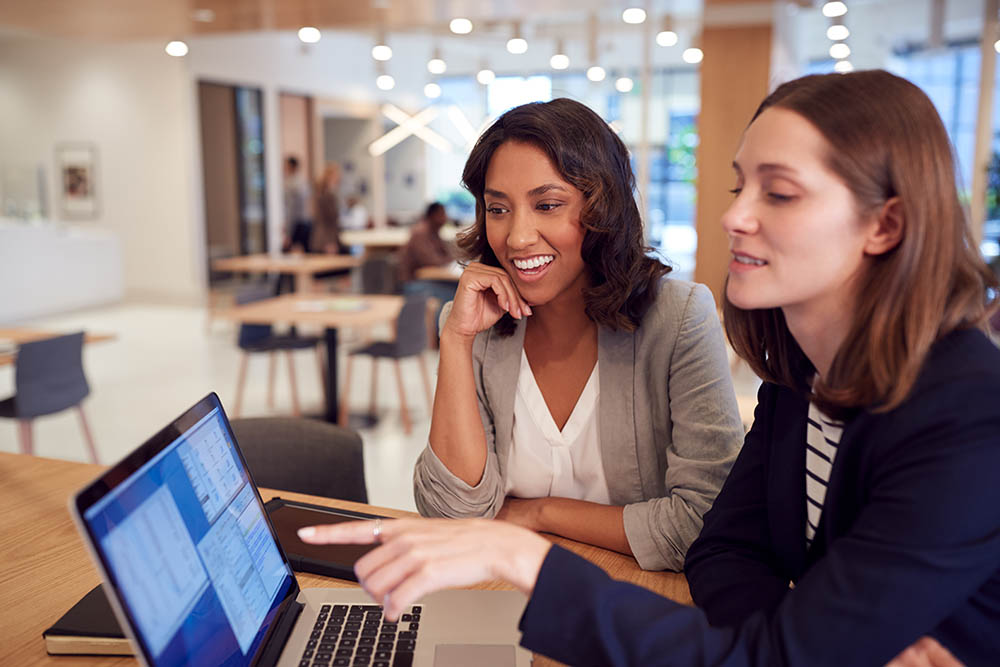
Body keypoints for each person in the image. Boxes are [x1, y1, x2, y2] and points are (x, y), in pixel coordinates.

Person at [299, 71, 1000, 666]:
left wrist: (526, 553)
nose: (733, 218)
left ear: (886, 225)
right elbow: (722, 553)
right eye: (739, 188)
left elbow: (713, 554)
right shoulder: (800, 377)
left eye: (777, 193)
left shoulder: (969, 416)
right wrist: (794, 640)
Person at [411, 98, 744, 571]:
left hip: (631, 605)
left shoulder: (678, 318)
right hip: (498, 593)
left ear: (601, 206)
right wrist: (456, 339)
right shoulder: (476, 324)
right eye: (498, 208)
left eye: (547, 205)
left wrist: (538, 513)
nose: (518, 237)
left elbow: (706, 523)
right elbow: (452, 514)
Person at [396, 202, 455, 283]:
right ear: (432, 215)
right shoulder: (420, 233)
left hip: (427, 279)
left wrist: (450, 259)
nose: (445, 218)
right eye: (442, 214)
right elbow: (432, 262)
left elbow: (446, 255)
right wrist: (450, 260)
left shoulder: (434, 231)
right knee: (455, 290)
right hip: (414, 282)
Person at [311, 163, 343, 255]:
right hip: (326, 240)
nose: (339, 177)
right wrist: (330, 242)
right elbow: (328, 221)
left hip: (321, 239)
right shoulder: (327, 195)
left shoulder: (321, 193)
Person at [282, 155, 312, 253]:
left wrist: (288, 231)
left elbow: (292, 208)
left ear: (292, 166)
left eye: (286, 166)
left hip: (298, 222)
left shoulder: (293, 184)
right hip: (302, 220)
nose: (284, 168)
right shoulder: (301, 182)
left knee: (287, 250)